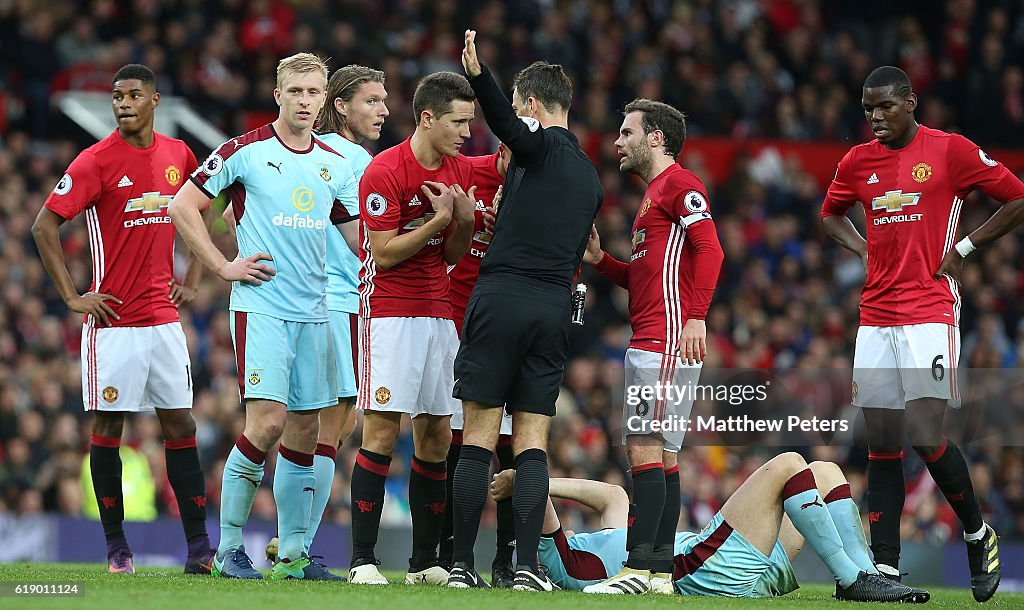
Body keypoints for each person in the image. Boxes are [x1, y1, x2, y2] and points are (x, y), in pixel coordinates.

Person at [821, 65, 1024, 603]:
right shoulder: (858, 160)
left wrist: (965, 248)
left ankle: (979, 535)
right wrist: (862, 248)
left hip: (929, 309)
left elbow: (1017, 196)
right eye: (868, 109)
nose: (875, 118)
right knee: (882, 442)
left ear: (911, 102)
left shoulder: (950, 150)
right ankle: (885, 569)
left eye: (885, 107)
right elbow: (830, 214)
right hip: (876, 315)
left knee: (924, 432)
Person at [168, 52, 360, 581]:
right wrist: (223, 266)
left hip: (317, 313)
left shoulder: (335, 164)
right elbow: (183, 206)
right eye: (294, 91)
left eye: (313, 93)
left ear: (324, 101)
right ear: (278, 95)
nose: (303, 101)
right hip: (263, 308)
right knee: (268, 423)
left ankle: (293, 555)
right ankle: (229, 548)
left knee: (304, 430)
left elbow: (356, 239)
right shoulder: (244, 152)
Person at [31, 63, 214, 575]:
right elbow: (44, 226)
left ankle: (200, 549)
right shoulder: (95, 161)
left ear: (155, 100)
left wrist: (196, 275)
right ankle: (116, 549)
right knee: (110, 426)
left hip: (163, 322)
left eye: (134, 95)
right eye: (117, 96)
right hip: (113, 324)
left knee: (181, 423)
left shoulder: (180, 155)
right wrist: (72, 297)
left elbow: (202, 209)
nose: (123, 103)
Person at [449, 29, 603, 593]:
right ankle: (523, 569)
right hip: (553, 310)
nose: (512, 121)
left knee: (480, 437)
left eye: (518, 109)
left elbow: (509, 128)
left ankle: (461, 565)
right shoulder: (589, 177)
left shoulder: (540, 147)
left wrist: (477, 75)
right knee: (532, 442)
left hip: (503, 300)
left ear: (533, 106)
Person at [581, 99, 724, 594]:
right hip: (653, 338)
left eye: (627, 132)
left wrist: (696, 318)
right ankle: (661, 572)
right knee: (660, 454)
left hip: (664, 340)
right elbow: (645, 277)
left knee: (644, 446)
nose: (618, 142)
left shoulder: (680, 185)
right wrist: (602, 262)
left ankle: (637, 569)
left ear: (656, 138)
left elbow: (711, 248)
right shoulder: (652, 198)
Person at [256, 64, 389, 575]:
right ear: (341, 106)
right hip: (340, 299)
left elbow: (233, 215)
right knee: (324, 425)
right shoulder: (352, 158)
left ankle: (292, 542)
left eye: (383, 101)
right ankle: (296, 545)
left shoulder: (308, 156)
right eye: (371, 102)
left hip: (313, 300)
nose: (382, 111)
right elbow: (369, 240)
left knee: (328, 421)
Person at [348, 71, 477, 586]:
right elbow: (381, 253)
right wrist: (439, 219)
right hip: (389, 312)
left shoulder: (459, 171)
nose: (467, 133)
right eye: (459, 122)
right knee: (382, 428)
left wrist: (462, 222)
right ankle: (362, 559)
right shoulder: (385, 171)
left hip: (439, 313)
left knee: (437, 434)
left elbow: (452, 254)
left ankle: (425, 563)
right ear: (428, 117)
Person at [492, 453, 929, 603]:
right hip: (702, 569)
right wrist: (521, 480)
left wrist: (533, 479)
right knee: (788, 467)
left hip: (737, 569)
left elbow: (611, 495)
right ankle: (854, 580)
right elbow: (537, 500)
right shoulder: (557, 559)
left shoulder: (604, 546)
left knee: (827, 471)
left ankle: (864, 575)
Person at [439, 144, 515, 587]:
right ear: (503, 148)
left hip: (507, 327)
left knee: (509, 443)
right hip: (454, 322)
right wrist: (464, 219)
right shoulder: (463, 171)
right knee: (455, 442)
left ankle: (507, 563)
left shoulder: (540, 182)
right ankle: (450, 556)